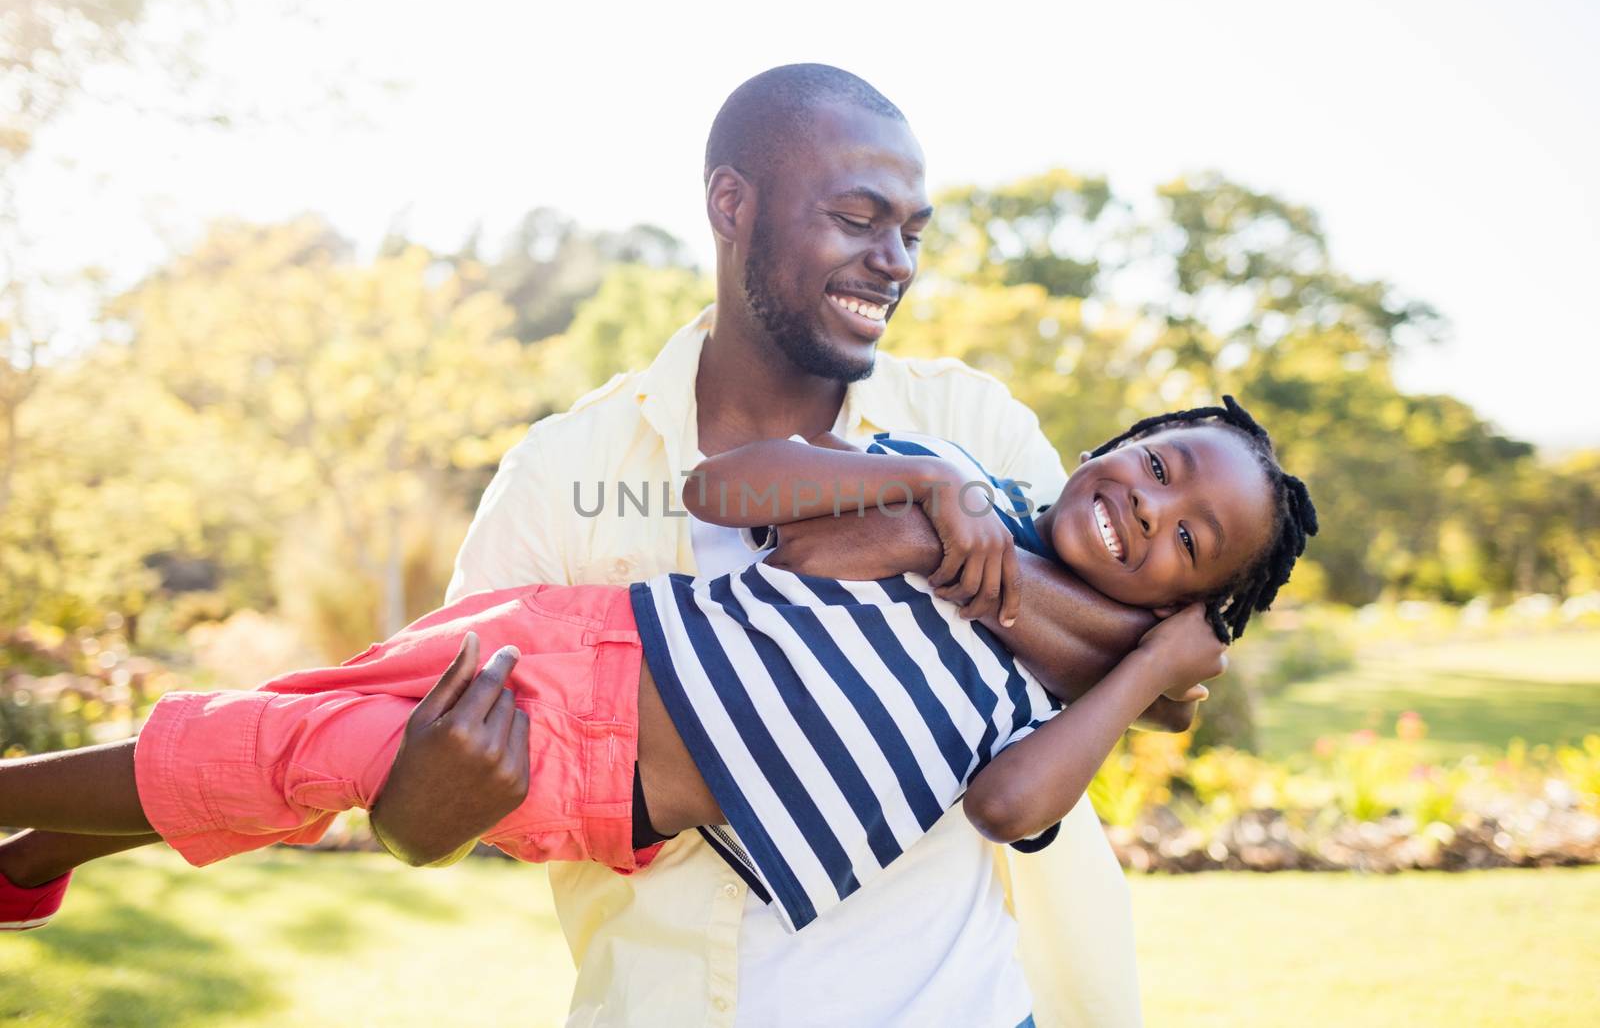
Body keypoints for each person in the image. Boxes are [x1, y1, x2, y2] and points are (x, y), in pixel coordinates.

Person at [365, 63, 1190, 1027]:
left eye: (912, 232)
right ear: (731, 204)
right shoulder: (561, 472)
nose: (897, 261)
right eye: (857, 218)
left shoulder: (970, 420)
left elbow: (1164, 679)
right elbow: (418, 821)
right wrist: (417, 803)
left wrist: (914, 541)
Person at [0, 399, 1317, 950]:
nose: (1151, 506)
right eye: (1158, 464)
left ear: (1195, 601)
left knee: (287, 756)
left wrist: (1151, 671)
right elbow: (735, 495)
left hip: (581, 765)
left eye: (1191, 535)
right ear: (1119, 444)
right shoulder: (957, 488)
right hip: (580, 631)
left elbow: (1012, 802)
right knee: (289, 732)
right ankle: (41, 849)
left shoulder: (1063, 695)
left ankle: (18, 814)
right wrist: (925, 488)